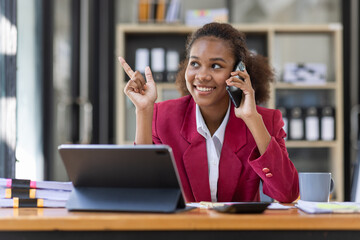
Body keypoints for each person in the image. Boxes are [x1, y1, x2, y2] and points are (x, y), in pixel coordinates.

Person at [118, 22, 299, 203]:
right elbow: (143, 190)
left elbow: (287, 193)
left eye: (216, 66)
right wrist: (143, 111)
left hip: (239, 231)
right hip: (183, 230)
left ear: (238, 72)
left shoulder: (265, 122)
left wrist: (252, 119)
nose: (202, 75)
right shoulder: (163, 116)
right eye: (195, 63)